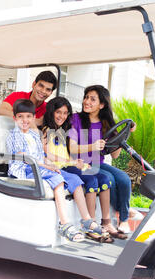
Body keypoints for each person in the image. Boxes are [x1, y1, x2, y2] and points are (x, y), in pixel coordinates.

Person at [6, 99, 106, 243]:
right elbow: (26, 158)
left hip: (39, 166)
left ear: (34, 118)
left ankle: (86, 220)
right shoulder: (15, 135)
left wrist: (52, 165)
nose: (25, 120)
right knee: (58, 181)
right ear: (15, 118)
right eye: (20, 117)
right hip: (25, 169)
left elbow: (42, 156)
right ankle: (64, 224)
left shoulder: (35, 135)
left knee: (76, 181)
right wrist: (48, 166)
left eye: (28, 117)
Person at [68, 85, 143, 236]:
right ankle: (116, 216)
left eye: (92, 99)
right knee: (109, 179)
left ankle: (123, 220)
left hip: (98, 162)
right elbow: (72, 149)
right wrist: (93, 146)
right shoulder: (76, 119)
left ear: (102, 105)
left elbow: (114, 155)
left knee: (124, 178)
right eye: (86, 97)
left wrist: (124, 135)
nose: (86, 101)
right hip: (82, 162)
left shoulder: (106, 123)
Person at [41, 96, 115, 242]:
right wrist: (72, 162)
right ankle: (89, 224)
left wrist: (77, 162)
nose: (62, 116)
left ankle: (102, 221)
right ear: (51, 112)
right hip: (61, 168)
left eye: (65, 113)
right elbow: (49, 154)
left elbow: (65, 152)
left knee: (104, 179)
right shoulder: (46, 130)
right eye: (58, 112)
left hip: (69, 164)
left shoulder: (61, 131)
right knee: (92, 180)